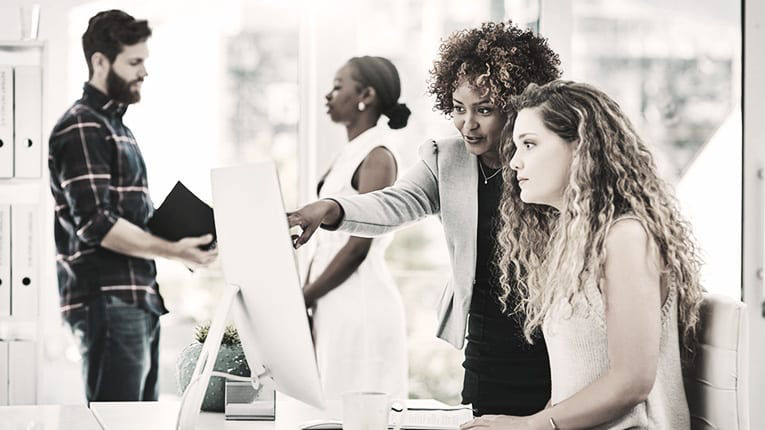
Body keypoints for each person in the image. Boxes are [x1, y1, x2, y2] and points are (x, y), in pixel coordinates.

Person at [288, 22, 561, 415]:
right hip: (485, 346)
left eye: (484, 110)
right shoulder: (445, 159)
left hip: (552, 347)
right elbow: (394, 203)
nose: (468, 124)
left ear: (517, 106)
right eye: (458, 108)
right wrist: (332, 208)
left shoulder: (546, 161)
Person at [461, 80, 703, 429]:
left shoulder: (625, 236)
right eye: (515, 147)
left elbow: (633, 381)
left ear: (581, 147)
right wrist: (530, 422)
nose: (514, 163)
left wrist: (530, 426)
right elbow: (575, 386)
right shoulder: (572, 241)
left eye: (529, 145)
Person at [49, 10, 217, 402]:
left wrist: (187, 241)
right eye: (135, 62)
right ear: (100, 62)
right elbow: (97, 224)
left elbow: (130, 218)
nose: (145, 72)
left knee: (139, 421)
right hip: (109, 299)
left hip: (136, 296)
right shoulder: (83, 126)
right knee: (120, 421)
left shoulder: (117, 128)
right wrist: (173, 249)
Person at [305, 56, 411, 399]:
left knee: (355, 414)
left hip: (360, 308)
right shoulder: (351, 152)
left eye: (338, 86)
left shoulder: (377, 155)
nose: (328, 96)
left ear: (365, 93)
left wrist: (304, 297)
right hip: (335, 302)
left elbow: (357, 247)